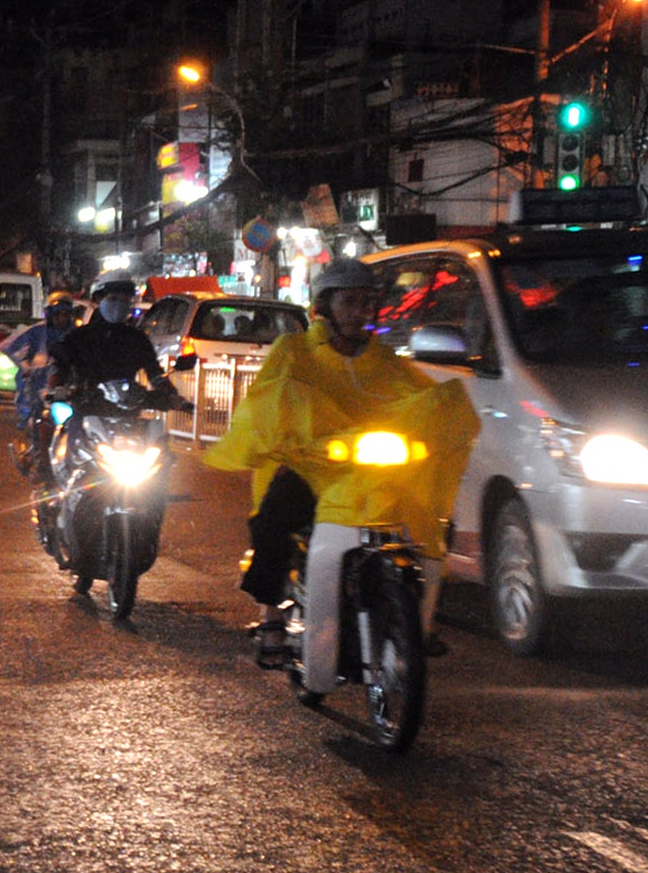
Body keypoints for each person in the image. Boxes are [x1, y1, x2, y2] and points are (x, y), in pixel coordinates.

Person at [203, 257, 478, 684]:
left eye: (367, 303)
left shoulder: (385, 360)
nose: (359, 312)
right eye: (349, 302)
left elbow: (419, 400)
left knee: (433, 527)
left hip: (372, 469)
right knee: (274, 518)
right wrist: (296, 433)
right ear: (325, 307)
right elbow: (268, 400)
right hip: (314, 466)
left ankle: (419, 624)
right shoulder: (293, 352)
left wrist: (444, 415)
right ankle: (271, 616)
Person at [47, 278, 179, 404]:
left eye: (124, 300)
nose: (119, 305)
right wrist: (58, 386)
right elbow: (59, 365)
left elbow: (155, 373)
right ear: (100, 300)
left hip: (127, 409)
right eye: (113, 299)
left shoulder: (137, 339)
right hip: (87, 410)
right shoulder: (79, 336)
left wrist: (172, 396)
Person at [0, 291, 77, 477]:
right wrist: (26, 366)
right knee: (39, 420)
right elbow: (8, 346)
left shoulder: (77, 333)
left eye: (66, 314)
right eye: (58, 314)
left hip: (69, 386)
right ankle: (39, 461)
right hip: (39, 387)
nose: (62, 319)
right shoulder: (37, 331)